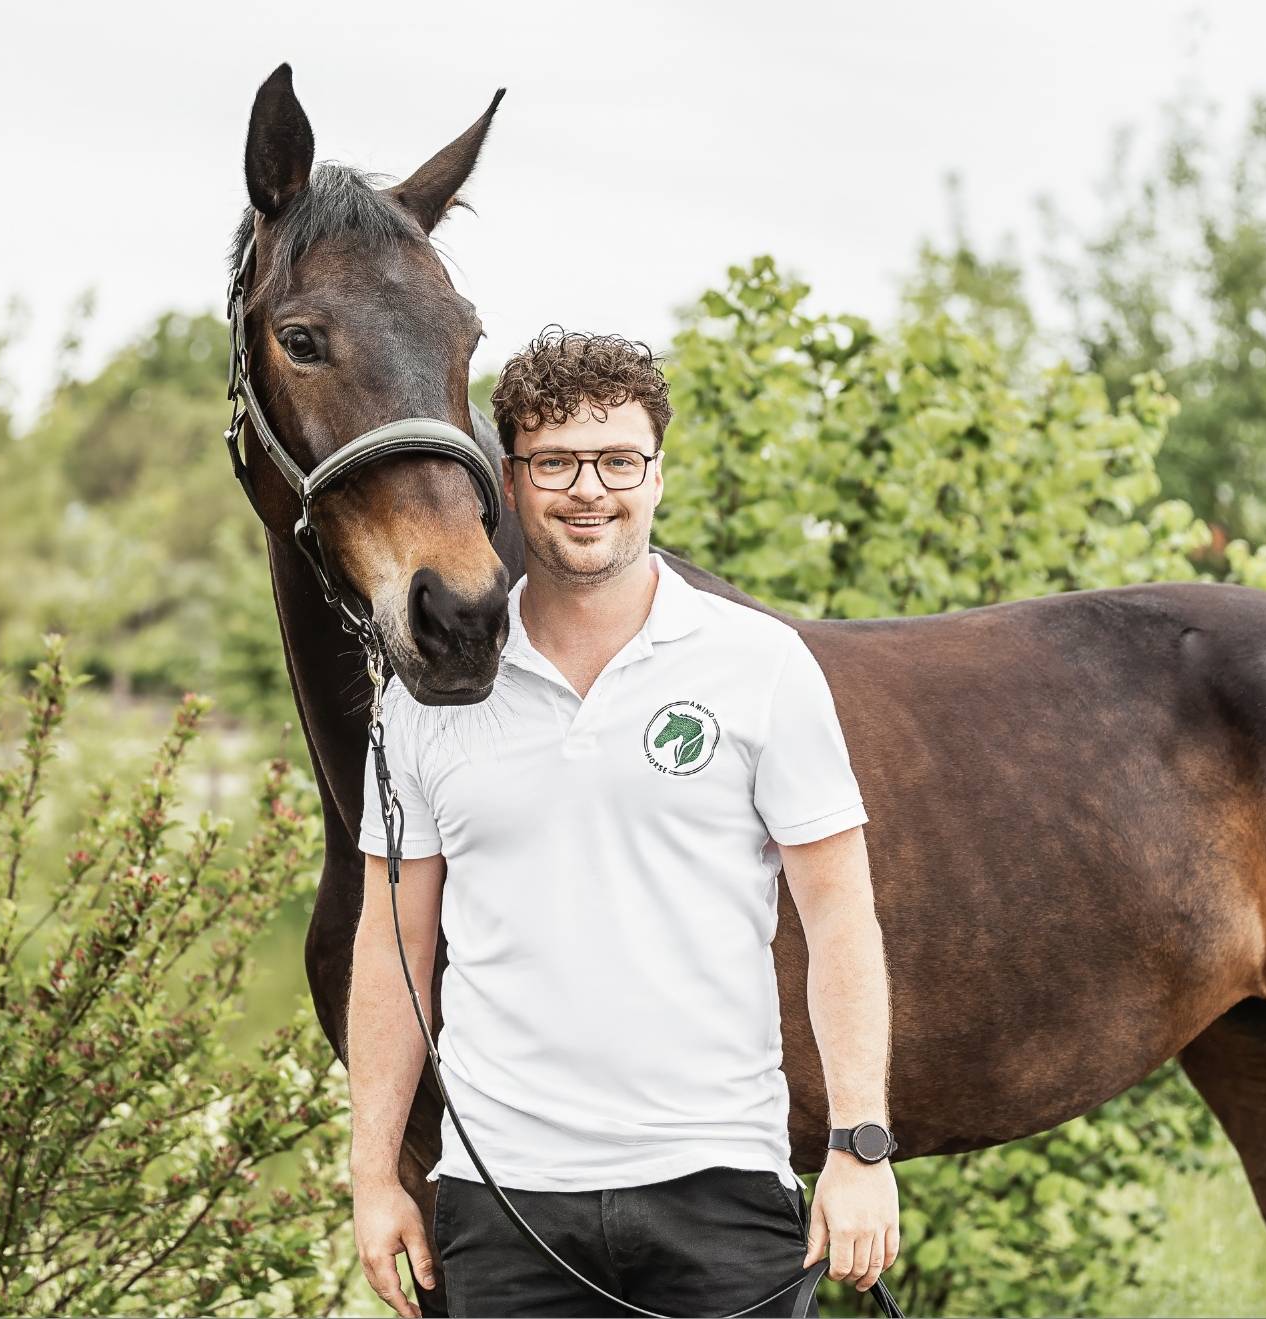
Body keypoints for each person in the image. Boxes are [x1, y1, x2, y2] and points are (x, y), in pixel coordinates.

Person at [347, 328, 898, 1318]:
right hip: (499, 1200)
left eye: (616, 460)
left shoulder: (759, 665)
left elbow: (839, 918)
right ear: (505, 484)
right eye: (554, 462)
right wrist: (372, 1171)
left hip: (718, 1184)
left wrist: (858, 1144)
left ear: (655, 474)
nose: (587, 489)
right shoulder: (421, 699)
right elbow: (395, 949)